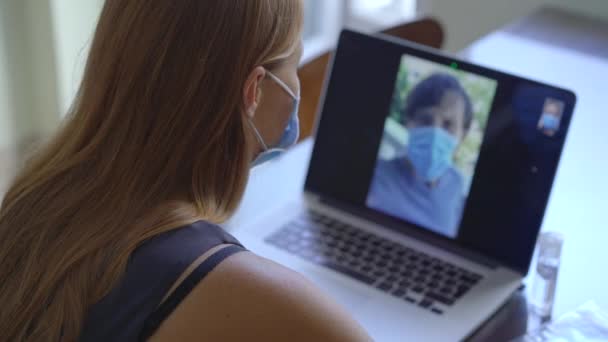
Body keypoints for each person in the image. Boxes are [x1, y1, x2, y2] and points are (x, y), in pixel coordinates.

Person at [0, 1, 371, 341]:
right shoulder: (239, 289)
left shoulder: (31, 198)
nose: (296, 83)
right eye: (295, 61)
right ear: (254, 90)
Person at [367, 73, 473, 238]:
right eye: (425, 120)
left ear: (462, 136)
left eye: (448, 124)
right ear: (409, 122)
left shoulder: (457, 185)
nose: (436, 133)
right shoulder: (376, 175)